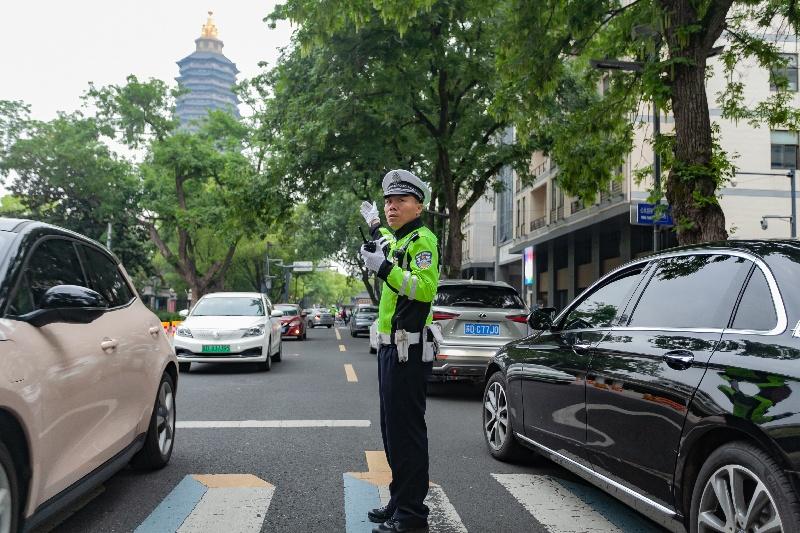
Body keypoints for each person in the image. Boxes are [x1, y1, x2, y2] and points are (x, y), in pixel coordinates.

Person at [359, 169, 439, 533]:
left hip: (410, 350)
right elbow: (389, 244)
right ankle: (399, 499)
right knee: (391, 432)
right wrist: (374, 227)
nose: (392, 207)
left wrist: (384, 267)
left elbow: (423, 289)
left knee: (406, 434)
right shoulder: (402, 240)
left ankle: (411, 516)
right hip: (392, 349)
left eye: (400, 201)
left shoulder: (424, 241)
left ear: (418, 206)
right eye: (388, 201)